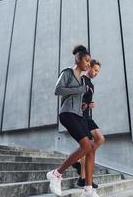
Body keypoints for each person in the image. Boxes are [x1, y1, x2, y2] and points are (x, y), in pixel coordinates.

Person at [47, 45, 99, 197]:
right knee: (85, 146)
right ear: (78, 59)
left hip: (78, 114)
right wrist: (79, 90)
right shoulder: (67, 72)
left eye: (90, 61)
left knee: (90, 147)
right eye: (87, 60)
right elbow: (58, 90)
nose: (89, 64)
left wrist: (86, 104)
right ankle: (56, 174)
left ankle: (88, 189)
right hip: (67, 113)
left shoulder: (83, 81)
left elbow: (79, 97)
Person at [73, 59, 105, 189]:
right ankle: (83, 178)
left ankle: (79, 162)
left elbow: (87, 100)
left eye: (98, 71)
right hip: (80, 116)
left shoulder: (91, 85)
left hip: (87, 117)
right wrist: (81, 105)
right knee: (89, 146)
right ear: (89, 67)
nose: (97, 73)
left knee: (100, 139)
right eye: (95, 70)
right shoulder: (80, 80)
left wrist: (90, 105)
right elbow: (74, 97)